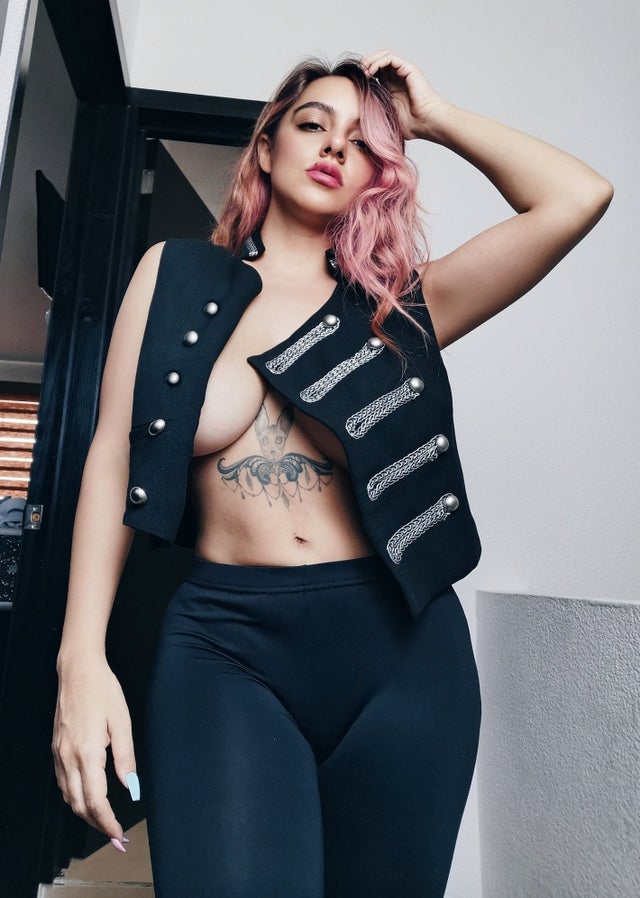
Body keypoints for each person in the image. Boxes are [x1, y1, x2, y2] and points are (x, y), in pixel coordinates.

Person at [51, 49, 612, 897]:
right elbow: (111, 457)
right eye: (313, 124)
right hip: (226, 645)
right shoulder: (174, 276)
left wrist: (437, 119)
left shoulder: (399, 307)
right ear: (266, 146)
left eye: (362, 142)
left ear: (376, 177)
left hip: (403, 653)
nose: (333, 147)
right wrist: (80, 660)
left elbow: (577, 196)